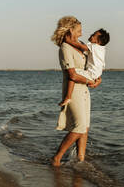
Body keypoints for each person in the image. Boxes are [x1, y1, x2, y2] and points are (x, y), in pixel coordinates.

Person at [51, 16, 102, 166]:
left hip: (85, 90)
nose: (81, 32)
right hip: (73, 91)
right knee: (79, 126)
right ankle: (57, 158)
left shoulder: (79, 44)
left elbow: (91, 66)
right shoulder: (65, 48)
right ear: (70, 29)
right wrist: (89, 80)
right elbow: (72, 74)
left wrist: (97, 79)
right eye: (78, 29)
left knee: (85, 128)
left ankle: (81, 160)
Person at [59, 28, 110, 107]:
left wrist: (68, 41)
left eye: (93, 35)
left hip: (92, 73)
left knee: (73, 75)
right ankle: (68, 97)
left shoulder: (94, 46)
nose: (91, 35)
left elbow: (81, 46)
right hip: (97, 72)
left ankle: (68, 97)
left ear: (98, 42)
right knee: (74, 74)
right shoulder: (102, 49)